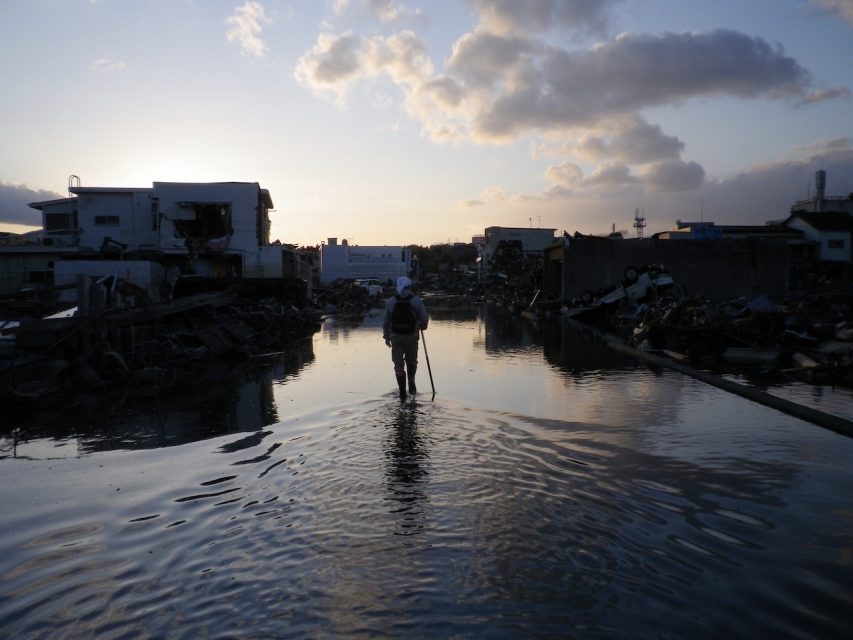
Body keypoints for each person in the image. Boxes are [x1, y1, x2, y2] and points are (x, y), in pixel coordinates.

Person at [383, 276, 429, 400]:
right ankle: (411, 381)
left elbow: (386, 321)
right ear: (409, 287)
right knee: (411, 360)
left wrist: (386, 336)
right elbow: (424, 319)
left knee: (398, 365)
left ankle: (402, 393)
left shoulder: (390, 302)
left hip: (396, 337)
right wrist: (422, 327)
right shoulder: (416, 301)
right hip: (412, 337)